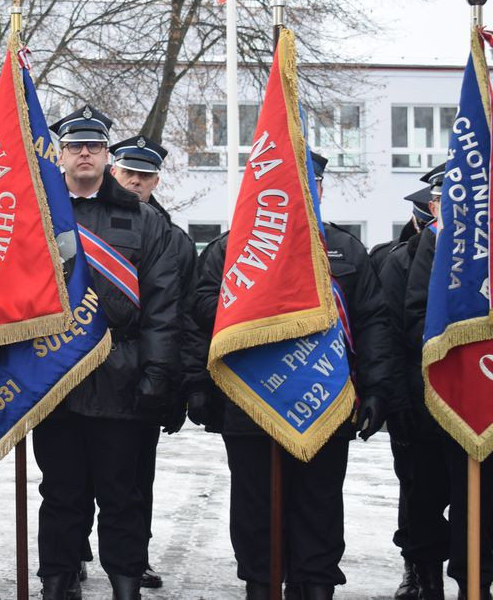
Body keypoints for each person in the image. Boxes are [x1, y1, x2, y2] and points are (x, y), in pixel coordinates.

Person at [188, 151, 395, 600]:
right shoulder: (231, 248)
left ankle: (316, 585)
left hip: (324, 400)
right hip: (249, 404)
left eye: (312, 183)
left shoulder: (345, 248)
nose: (303, 192)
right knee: (254, 507)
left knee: (318, 506)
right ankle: (261, 585)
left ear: (322, 189)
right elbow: (200, 312)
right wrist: (200, 386)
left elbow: (373, 320)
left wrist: (377, 388)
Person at [34, 105, 180, 600]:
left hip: (123, 376)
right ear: (61, 154)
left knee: (123, 497)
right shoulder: (39, 216)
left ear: (105, 156)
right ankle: (57, 582)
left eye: (94, 146)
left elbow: (163, 304)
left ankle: (125, 585)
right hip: (55, 377)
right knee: (61, 496)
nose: (85, 154)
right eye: (75, 146)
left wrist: (157, 371)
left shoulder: (144, 221)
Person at [108, 135, 196, 590]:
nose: (136, 182)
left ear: (156, 180)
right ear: (113, 172)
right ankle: (77, 553)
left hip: (146, 374)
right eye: (129, 173)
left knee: (137, 476)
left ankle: (134, 555)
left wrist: (174, 387)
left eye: (145, 176)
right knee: (75, 477)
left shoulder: (174, 240)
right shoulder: (80, 222)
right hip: (86, 371)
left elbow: (180, 317)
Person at [404, 165, 483, 600]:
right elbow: (413, 318)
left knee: (480, 500)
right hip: (436, 397)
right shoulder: (426, 248)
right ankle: (428, 578)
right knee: (428, 495)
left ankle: (477, 582)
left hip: (483, 396)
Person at [374, 180, 445, 600]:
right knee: (419, 492)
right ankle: (419, 572)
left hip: (466, 397)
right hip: (417, 401)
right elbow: (391, 335)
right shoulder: (396, 260)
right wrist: (396, 401)